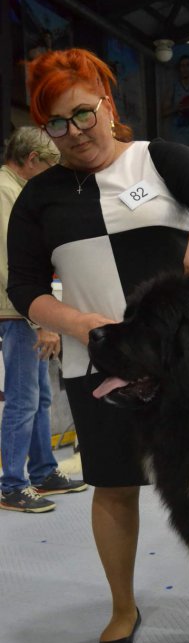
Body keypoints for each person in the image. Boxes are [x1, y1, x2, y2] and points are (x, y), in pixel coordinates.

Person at [7, 48, 189, 643]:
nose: (74, 133)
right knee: (113, 488)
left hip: (187, 368)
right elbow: (25, 289)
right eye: (57, 124)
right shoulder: (39, 200)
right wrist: (77, 321)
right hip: (101, 368)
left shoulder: (158, 158)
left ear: (108, 106)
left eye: (83, 115)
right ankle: (122, 606)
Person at [0, 127, 87, 514]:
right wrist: (42, 320)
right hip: (16, 313)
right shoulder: (5, 192)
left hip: (20, 312)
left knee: (40, 397)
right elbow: (11, 268)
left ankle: (42, 471)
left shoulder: (15, 191)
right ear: (32, 160)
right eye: (50, 165)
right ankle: (12, 485)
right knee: (23, 400)